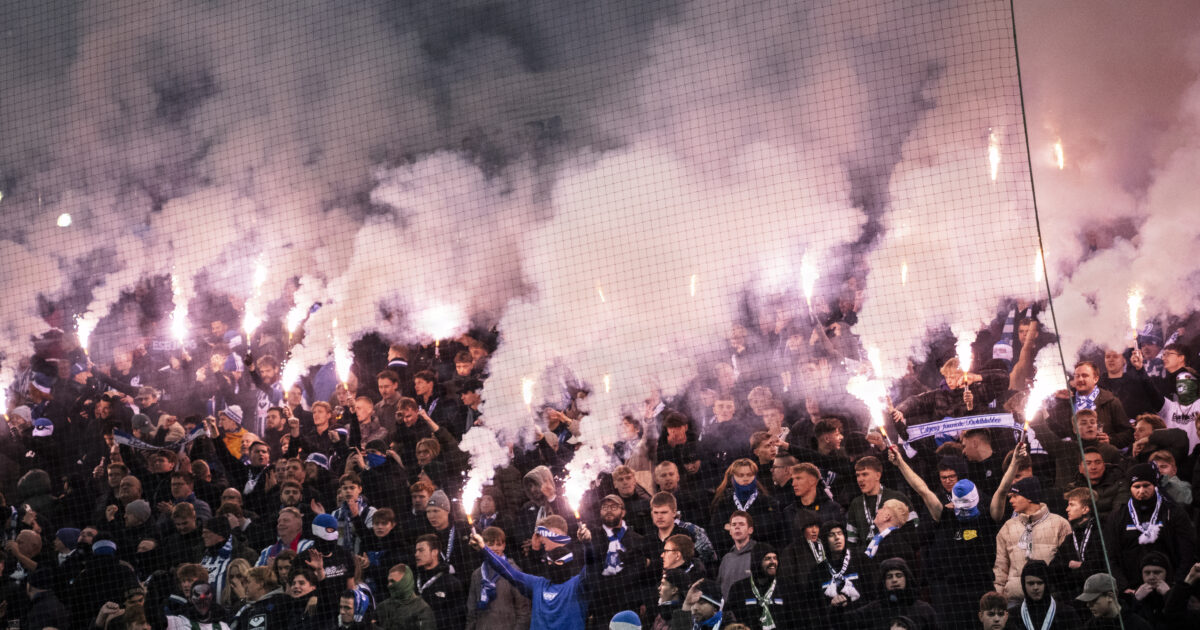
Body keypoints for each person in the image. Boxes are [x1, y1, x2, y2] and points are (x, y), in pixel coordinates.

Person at [467, 515, 595, 630]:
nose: (553, 566)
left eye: (558, 563)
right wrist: (484, 548)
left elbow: (591, 566)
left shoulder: (578, 585)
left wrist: (588, 544)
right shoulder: (537, 584)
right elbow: (507, 570)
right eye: (549, 563)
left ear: (568, 564)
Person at [1103, 463, 1196, 589]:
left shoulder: (1173, 512)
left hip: (1170, 585)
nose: (1141, 491)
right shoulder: (1117, 517)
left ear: (1155, 485)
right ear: (1130, 488)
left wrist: (1177, 585)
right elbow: (1111, 556)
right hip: (1132, 588)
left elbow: (1187, 551)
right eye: (1136, 486)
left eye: (1146, 485)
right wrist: (1124, 587)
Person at [994, 475, 1071, 603]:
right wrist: (999, 595)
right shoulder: (1008, 527)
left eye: (1015, 496)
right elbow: (1000, 566)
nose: (1011, 501)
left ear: (1029, 497)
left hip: (1051, 598)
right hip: (1015, 599)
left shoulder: (1059, 524)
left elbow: (1066, 562)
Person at [589, 493, 650, 628]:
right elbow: (589, 571)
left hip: (629, 604)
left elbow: (644, 577)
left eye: (614, 506)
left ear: (623, 512)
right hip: (601, 606)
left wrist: (643, 601)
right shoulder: (593, 538)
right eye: (605, 507)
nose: (609, 510)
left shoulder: (637, 539)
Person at [465, 526, 531, 630]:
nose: (495, 548)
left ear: (504, 546)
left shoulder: (514, 572)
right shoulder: (477, 574)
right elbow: (471, 610)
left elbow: (523, 610)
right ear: (483, 546)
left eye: (499, 544)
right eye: (490, 545)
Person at [1050, 488, 1107, 603]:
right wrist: (1075, 566)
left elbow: (1098, 567)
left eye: (1071, 505)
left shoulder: (1102, 532)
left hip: (1098, 597)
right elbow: (1054, 568)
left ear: (1085, 509)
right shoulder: (1070, 538)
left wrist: (1076, 567)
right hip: (1071, 598)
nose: (1067, 509)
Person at [848, 557, 937, 630]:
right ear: (883, 582)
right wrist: (837, 606)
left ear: (906, 578)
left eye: (899, 575)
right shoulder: (873, 610)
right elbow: (843, 622)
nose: (894, 580)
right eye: (889, 577)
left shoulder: (924, 610)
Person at [725, 543, 798, 630]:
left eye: (775, 558)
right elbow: (730, 622)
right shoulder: (739, 588)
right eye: (767, 559)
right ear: (757, 561)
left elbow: (796, 621)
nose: (773, 562)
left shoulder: (787, 587)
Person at [413, 533, 466, 630]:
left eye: (421, 550)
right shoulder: (412, 581)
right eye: (416, 551)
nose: (416, 554)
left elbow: (458, 621)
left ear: (435, 552)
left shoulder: (451, 583)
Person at [1075, 573, 1154, 630]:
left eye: (1093, 600)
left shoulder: (1138, 625)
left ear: (1110, 596)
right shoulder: (1090, 626)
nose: (1088, 605)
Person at [375, 563, 436, 630]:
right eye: (389, 581)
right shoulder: (382, 607)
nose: (389, 585)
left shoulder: (422, 610)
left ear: (405, 582)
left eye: (392, 581)